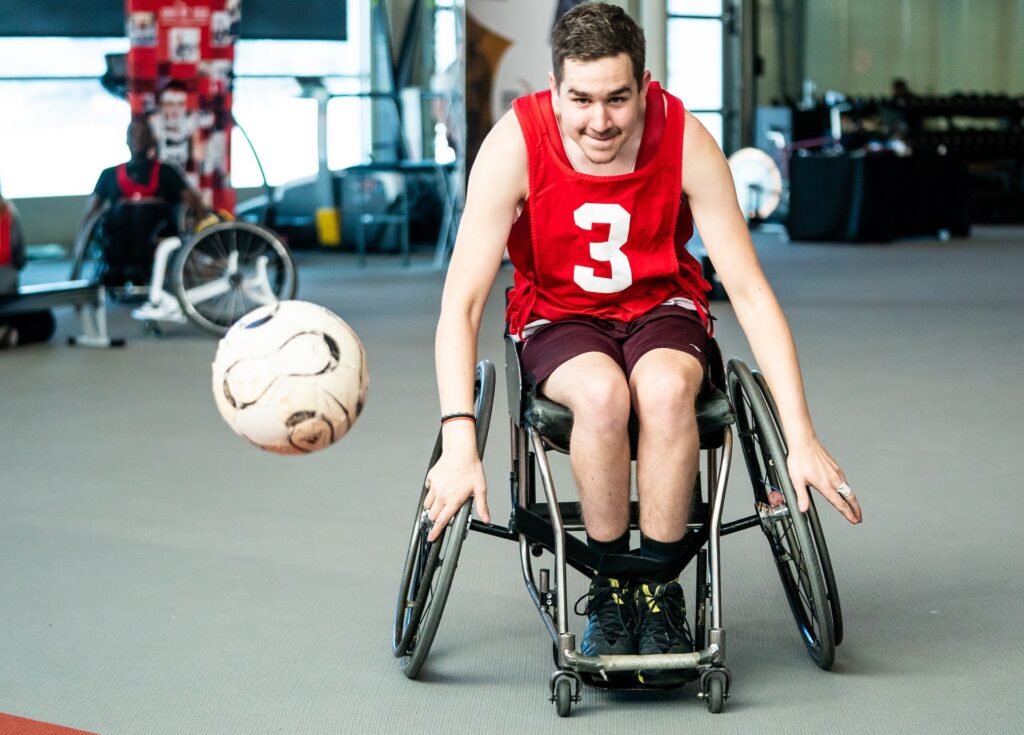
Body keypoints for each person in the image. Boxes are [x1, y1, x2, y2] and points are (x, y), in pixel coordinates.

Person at [423, 2, 863, 687]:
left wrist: (800, 434)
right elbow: (462, 303)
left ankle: (658, 591)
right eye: (582, 99)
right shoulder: (516, 142)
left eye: (618, 99)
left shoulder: (683, 135)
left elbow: (748, 289)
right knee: (601, 395)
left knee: (661, 389)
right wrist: (458, 441)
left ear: (645, 84)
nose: (599, 120)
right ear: (554, 86)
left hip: (662, 306)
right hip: (558, 312)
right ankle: (608, 587)